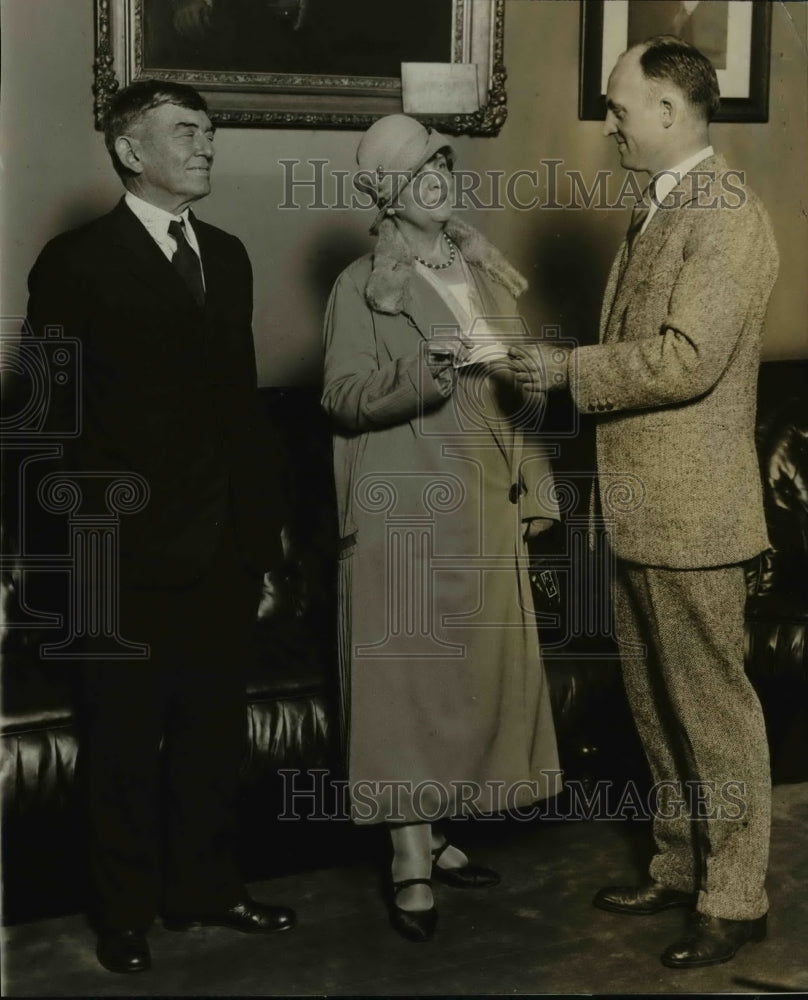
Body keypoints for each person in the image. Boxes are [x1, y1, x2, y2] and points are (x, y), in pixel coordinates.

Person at [509, 37, 777, 968]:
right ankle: (678, 864)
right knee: (655, 703)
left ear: (670, 110)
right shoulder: (664, 208)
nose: (610, 123)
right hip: (640, 508)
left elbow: (687, 360)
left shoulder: (726, 214)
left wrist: (565, 369)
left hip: (695, 518)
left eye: (621, 107)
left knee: (712, 710)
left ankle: (737, 898)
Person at [25, 79, 295, 975]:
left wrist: (263, 543)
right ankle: (126, 913)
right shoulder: (75, 261)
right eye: (186, 132)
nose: (206, 146)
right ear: (129, 152)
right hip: (121, 553)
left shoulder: (229, 254)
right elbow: (45, 420)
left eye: (210, 132)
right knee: (122, 742)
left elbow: (244, 415)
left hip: (221, 545)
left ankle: (207, 889)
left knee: (213, 733)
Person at [321, 114, 562, 943]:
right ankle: (409, 856)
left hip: (485, 501)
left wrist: (537, 486)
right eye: (420, 169)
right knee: (407, 682)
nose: (439, 177)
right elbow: (341, 397)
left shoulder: (485, 275)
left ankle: (444, 829)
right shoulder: (361, 285)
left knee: (471, 675)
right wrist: (416, 378)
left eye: (445, 163)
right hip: (405, 507)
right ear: (388, 190)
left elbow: (520, 390)